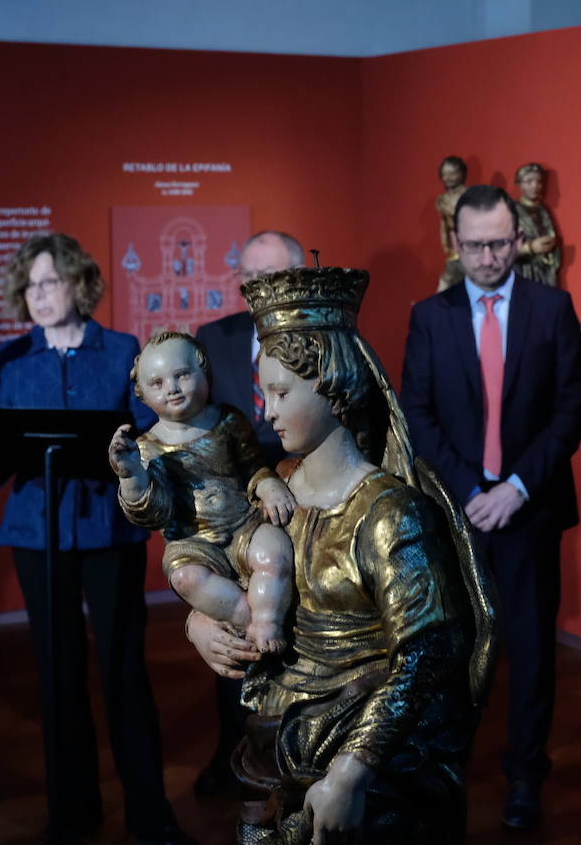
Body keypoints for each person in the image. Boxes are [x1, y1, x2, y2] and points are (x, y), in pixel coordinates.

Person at [189, 266, 495, 844]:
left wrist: (352, 771)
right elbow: (228, 576)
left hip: (365, 759)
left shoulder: (388, 512)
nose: (267, 408)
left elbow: (428, 653)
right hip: (275, 743)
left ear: (333, 386)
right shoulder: (277, 488)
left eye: (281, 392)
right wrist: (198, 620)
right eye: (264, 390)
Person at [0, 233, 194, 845]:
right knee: (57, 673)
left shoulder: (122, 350)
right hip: (37, 533)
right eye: (31, 285)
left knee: (124, 669)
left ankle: (150, 814)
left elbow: (151, 435)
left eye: (50, 282)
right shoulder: (12, 358)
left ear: (79, 283)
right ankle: (71, 813)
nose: (40, 295)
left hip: (108, 528)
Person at [400, 184, 581, 830]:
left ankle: (524, 777)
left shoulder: (554, 308)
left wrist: (516, 488)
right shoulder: (430, 315)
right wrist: (474, 491)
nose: (488, 256)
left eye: (500, 243)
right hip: (457, 512)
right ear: (455, 243)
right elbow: (417, 414)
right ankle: (447, 768)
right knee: (450, 649)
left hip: (529, 512)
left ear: (517, 239)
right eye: (476, 244)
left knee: (532, 651)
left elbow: (569, 410)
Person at [190, 229, 303, 795]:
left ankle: (295, 759)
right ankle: (233, 756)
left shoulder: (322, 339)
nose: (258, 288)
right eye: (250, 278)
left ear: (299, 277)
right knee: (232, 637)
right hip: (231, 519)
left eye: (272, 276)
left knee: (290, 635)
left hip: (304, 512)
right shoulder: (212, 338)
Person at [110, 331, 296, 652]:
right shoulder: (147, 449)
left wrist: (267, 484)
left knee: (273, 550)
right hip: (192, 543)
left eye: (182, 375)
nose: (172, 388)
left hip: (244, 525)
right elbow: (154, 514)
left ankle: (268, 621)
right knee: (186, 579)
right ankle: (247, 623)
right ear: (141, 394)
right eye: (157, 383)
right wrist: (131, 477)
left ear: (204, 371)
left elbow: (252, 466)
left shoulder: (228, 422)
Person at [512, 163, 561, 287]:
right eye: (529, 181)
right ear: (519, 184)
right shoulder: (512, 211)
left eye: (538, 182)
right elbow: (502, 249)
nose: (535, 186)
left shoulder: (543, 211)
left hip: (544, 273)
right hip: (522, 272)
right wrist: (530, 247)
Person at [435, 156, 469, 292]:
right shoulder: (442, 200)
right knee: (445, 285)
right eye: (444, 174)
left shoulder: (469, 195)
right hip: (454, 250)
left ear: (462, 174)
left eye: (452, 173)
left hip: (471, 248)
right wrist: (446, 245)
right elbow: (444, 223)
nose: (448, 178)